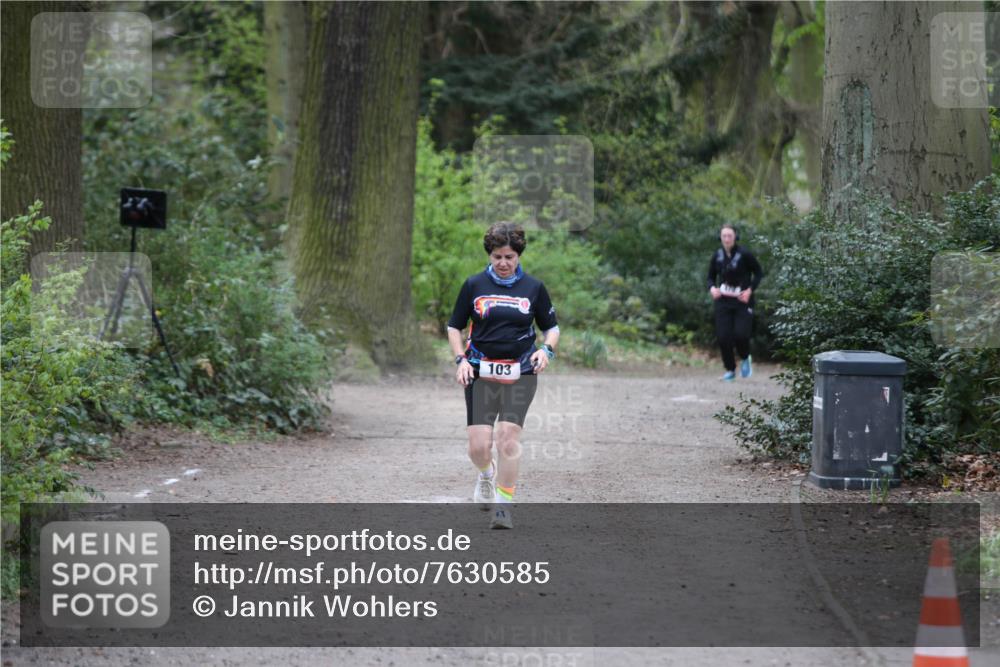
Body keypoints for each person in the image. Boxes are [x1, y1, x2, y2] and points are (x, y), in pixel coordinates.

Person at [447, 222, 559, 529]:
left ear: (518, 255)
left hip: (521, 369)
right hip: (480, 370)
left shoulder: (534, 288)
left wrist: (545, 351)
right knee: (478, 447)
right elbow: (454, 326)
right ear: (490, 255)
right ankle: (485, 473)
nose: (503, 263)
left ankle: (503, 504)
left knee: (508, 438)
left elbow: (552, 328)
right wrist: (460, 360)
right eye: (497, 256)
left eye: (509, 256)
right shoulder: (474, 285)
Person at [706, 223, 763, 381]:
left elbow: (758, 273)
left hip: (742, 301)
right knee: (723, 337)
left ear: (735, 237)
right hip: (723, 301)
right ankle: (730, 369)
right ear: (720, 238)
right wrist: (712, 288)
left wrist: (750, 290)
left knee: (741, 335)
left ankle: (745, 358)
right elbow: (710, 277)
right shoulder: (717, 256)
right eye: (724, 236)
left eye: (729, 236)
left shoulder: (745, 254)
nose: (726, 239)